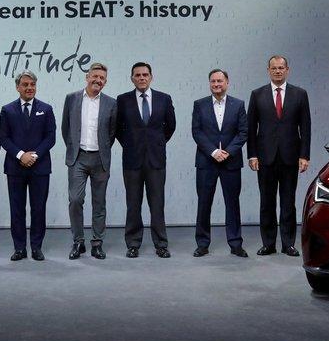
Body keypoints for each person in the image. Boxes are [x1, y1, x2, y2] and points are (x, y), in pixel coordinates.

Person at [247, 55, 311, 257]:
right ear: (268, 70)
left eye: (281, 68)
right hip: (265, 157)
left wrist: (304, 155)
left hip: (290, 157)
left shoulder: (300, 94)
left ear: (287, 70)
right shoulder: (257, 95)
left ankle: (288, 243)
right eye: (274, 68)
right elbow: (250, 128)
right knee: (266, 202)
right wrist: (252, 155)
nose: (277, 71)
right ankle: (268, 243)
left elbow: (306, 127)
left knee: (288, 201)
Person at [114, 62, 177, 258]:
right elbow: (117, 129)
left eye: (145, 74)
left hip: (156, 160)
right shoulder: (122, 100)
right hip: (132, 160)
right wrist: (132, 144)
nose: (142, 78)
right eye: (138, 75)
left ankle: (161, 244)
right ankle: (133, 243)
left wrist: (156, 144)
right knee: (133, 203)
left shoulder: (163, 99)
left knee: (157, 203)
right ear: (132, 78)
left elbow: (170, 127)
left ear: (151, 77)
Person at [61, 63, 117, 260]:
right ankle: (78, 242)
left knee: (99, 203)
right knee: (75, 200)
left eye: (102, 78)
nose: (98, 80)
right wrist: (74, 149)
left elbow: (112, 132)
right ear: (87, 77)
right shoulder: (72, 99)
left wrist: (102, 148)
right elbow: (65, 128)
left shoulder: (111, 103)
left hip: (100, 159)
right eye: (95, 76)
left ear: (105, 82)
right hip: (78, 157)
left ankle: (97, 243)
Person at [0, 71, 56, 262]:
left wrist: (34, 155)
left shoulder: (46, 109)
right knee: (17, 209)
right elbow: (3, 138)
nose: (29, 87)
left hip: (40, 167)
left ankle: (37, 247)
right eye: (25, 84)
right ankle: (20, 248)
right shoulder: (7, 110)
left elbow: (50, 138)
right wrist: (21, 155)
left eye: (32, 84)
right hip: (15, 167)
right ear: (17, 87)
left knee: (38, 208)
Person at [191, 69, 248, 258]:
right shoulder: (199, 105)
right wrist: (214, 151)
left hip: (231, 163)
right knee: (204, 203)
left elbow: (243, 133)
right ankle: (202, 243)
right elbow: (197, 132)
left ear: (227, 83)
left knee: (232, 204)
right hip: (207, 162)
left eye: (220, 81)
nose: (216, 84)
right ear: (209, 83)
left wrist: (228, 152)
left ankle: (235, 243)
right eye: (213, 81)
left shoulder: (238, 105)